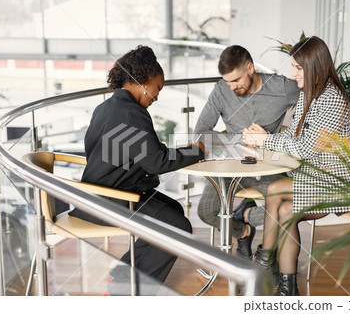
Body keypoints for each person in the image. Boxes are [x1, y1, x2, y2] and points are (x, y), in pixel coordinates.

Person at [70, 45, 205, 290]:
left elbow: (115, 152)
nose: (157, 95)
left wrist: (149, 150)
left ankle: (122, 277)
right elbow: (158, 162)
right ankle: (131, 293)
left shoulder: (106, 108)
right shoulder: (133, 114)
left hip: (96, 195)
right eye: (158, 87)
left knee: (173, 208)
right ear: (144, 80)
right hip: (110, 200)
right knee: (178, 226)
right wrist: (198, 151)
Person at [243, 36, 350, 295]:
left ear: (314, 67)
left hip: (338, 184)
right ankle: (288, 290)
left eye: (298, 68)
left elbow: (307, 148)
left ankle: (264, 259)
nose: (293, 74)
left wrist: (267, 140)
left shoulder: (332, 99)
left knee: (275, 189)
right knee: (286, 212)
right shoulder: (309, 94)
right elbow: (295, 135)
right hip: (317, 180)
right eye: (293, 67)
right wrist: (264, 137)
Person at [194, 45, 299, 260]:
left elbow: (314, 104)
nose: (232, 87)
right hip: (231, 166)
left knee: (284, 206)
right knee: (206, 212)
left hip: (268, 165)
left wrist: (274, 137)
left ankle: (246, 214)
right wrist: (242, 142)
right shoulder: (221, 90)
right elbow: (200, 133)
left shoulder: (283, 88)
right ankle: (242, 232)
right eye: (227, 81)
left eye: (236, 80)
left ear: (250, 68)